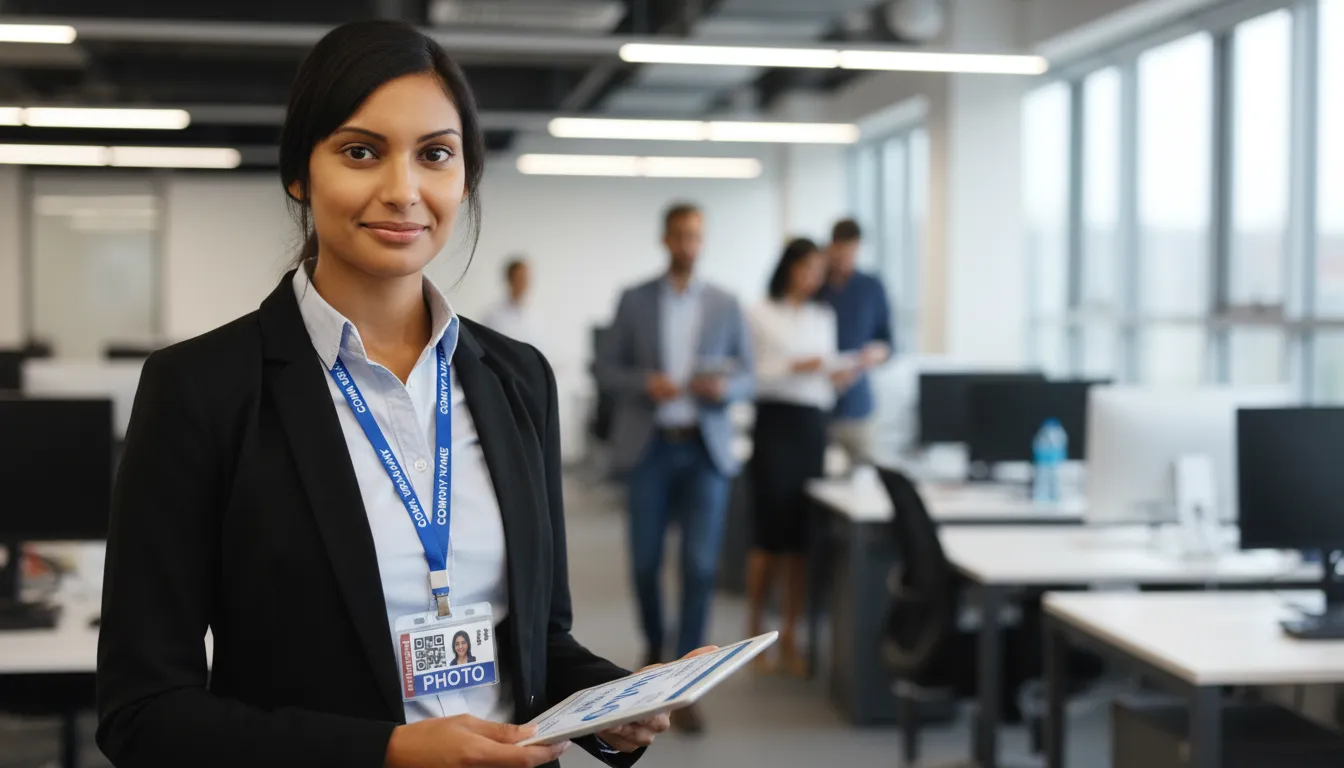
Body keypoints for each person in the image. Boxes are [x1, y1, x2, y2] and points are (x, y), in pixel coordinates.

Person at [95, 21, 708, 768]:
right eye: (361, 152)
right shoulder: (202, 390)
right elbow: (144, 715)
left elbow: (539, 643)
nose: (403, 191)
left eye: (435, 155)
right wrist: (385, 751)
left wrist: (610, 701)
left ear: (465, 177)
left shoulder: (517, 379)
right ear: (299, 173)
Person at [596, 202, 754, 734]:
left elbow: (750, 375)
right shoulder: (635, 299)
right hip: (650, 448)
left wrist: (726, 387)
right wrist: (646, 382)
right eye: (680, 235)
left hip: (705, 448)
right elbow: (606, 369)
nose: (688, 243)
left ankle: (686, 681)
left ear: (702, 241)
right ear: (666, 239)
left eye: (696, 235)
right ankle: (653, 646)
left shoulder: (726, 303)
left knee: (701, 566)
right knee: (644, 561)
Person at [744, 238, 856, 677]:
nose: (813, 277)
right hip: (774, 425)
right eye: (806, 268)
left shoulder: (822, 316)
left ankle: (791, 633)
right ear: (789, 267)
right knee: (768, 538)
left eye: (818, 270)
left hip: (812, 426)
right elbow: (751, 375)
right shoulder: (758, 312)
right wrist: (796, 368)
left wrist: (836, 376)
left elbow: (823, 378)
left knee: (800, 543)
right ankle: (756, 631)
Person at [815, 218, 894, 466]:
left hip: (857, 404)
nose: (845, 259)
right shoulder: (815, 286)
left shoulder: (870, 287)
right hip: (817, 403)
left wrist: (876, 354)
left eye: (851, 252)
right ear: (830, 247)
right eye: (840, 252)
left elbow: (888, 341)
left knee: (866, 473)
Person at [482, 257, 538, 346]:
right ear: (509, 279)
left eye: (525, 279)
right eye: (518, 278)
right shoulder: (491, 316)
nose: (522, 283)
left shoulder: (535, 316)